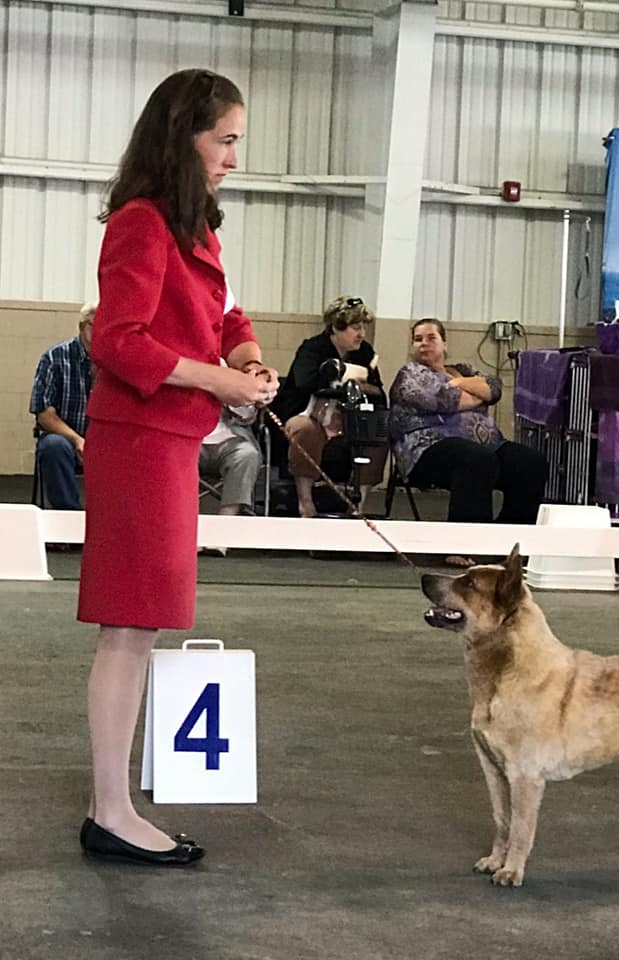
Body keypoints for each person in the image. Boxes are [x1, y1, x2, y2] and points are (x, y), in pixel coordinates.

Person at [75, 69, 279, 866]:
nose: (234, 156)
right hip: (137, 439)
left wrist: (248, 356)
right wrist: (218, 380)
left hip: (169, 438)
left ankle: (111, 804)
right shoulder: (139, 223)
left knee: (141, 624)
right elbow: (117, 340)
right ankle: (110, 810)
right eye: (224, 139)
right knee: (128, 628)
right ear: (182, 136)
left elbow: (224, 312)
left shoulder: (195, 227)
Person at [389, 318, 546, 547]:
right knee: (476, 458)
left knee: (531, 462)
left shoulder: (463, 370)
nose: (424, 343)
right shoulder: (410, 374)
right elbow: (442, 400)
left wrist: (458, 383)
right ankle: (465, 545)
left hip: (486, 446)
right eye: (417, 339)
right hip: (428, 449)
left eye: (431, 338)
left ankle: (511, 540)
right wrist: (473, 392)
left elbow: (494, 389)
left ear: (445, 343)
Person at [274, 296, 387, 517]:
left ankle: (358, 506)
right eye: (356, 328)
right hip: (308, 415)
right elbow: (305, 383)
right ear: (336, 327)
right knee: (304, 429)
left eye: (363, 327)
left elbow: (378, 392)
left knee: (376, 431)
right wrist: (347, 377)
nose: (361, 334)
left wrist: (356, 382)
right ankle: (305, 502)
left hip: (349, 419)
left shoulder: (364, 352)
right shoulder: (312, 349)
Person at [29, 303, 96, 509]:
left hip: (104, 439)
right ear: (83, 327)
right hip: (66, 438)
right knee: (53, 447)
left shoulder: (116, 361)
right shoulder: (54, 357)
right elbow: (44, 414)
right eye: (97, 325)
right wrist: (77, 440)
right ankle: (68, 521)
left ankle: (116, 525)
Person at [198, 402, 263, 556]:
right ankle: (188, 532)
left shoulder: (241, 377)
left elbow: (247, 417)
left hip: (231, 438)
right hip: (189, 436)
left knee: (247, 455)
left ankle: (222, 532)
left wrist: (231, 400)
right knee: (172, 456)